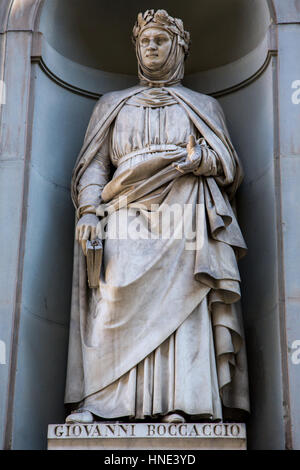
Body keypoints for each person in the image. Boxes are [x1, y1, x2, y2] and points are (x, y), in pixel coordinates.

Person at [65, 9, 250, 424]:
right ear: (136, 47)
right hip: (125, 211)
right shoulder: (112, 104)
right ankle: (102, 401)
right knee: (113, 292)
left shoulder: (203, 105)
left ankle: (180, 404)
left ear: (178, 47)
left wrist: (202, 158)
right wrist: (90, 213)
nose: (151, 47)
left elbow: (229, 165)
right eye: (145, 41)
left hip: (184, 210)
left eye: (160, 40)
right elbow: (94, 167)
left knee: (188, 295)